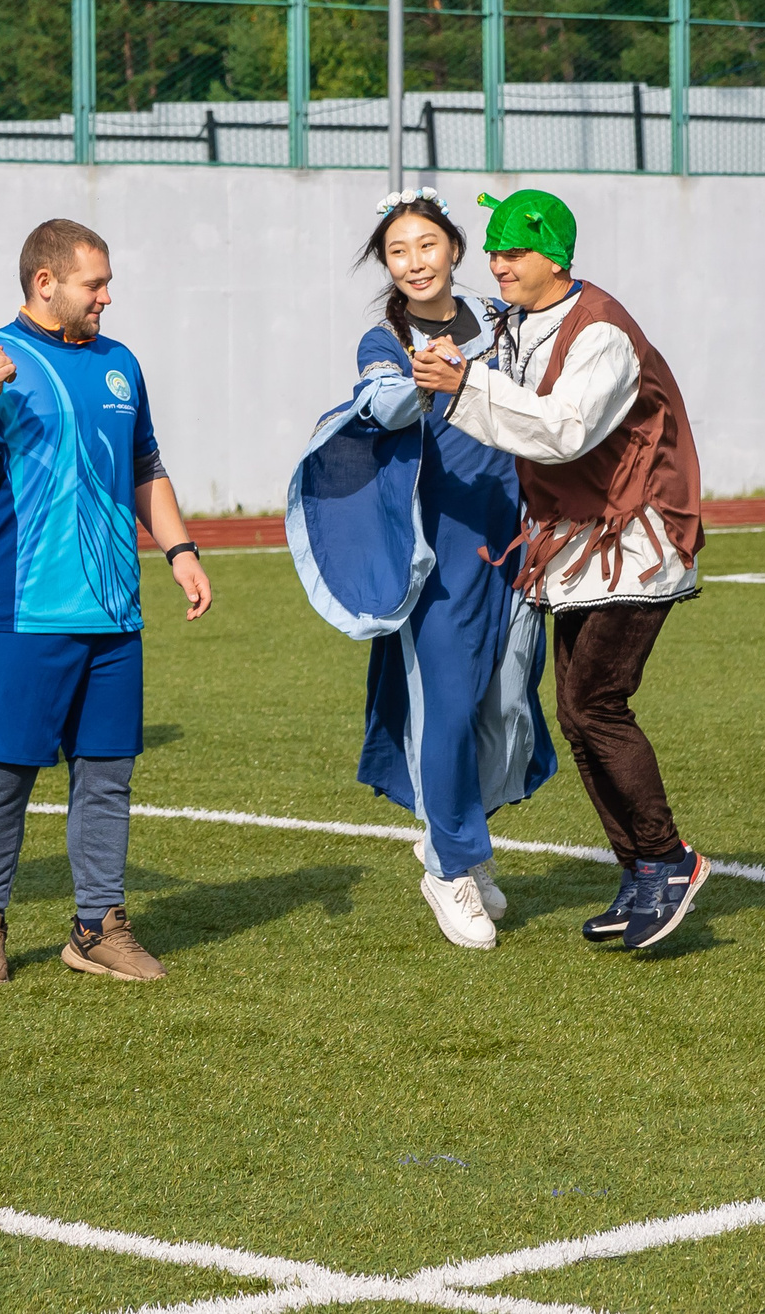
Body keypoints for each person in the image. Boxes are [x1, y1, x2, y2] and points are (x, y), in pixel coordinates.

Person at [411, 188, 709, 952]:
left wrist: (463, 386)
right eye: (495, 250)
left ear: (556, 256)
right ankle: (641, 873)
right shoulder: (520, 322)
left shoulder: (601, 332)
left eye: (514, 251)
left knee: (596, 704)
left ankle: (670, 859)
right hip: (582, 548)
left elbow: (563, 431)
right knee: (580, 717)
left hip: (637, 543)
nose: (499, 264)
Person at [0, 219, 213, 984]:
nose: (107, 297)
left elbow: (146, 465)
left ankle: (97, 926)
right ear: (45, 282)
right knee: (5, 774)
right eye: (95, 284)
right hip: (23, 613)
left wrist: (179, 552)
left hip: (114, 613)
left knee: (107, 775)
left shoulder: (122, 365)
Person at [287, 189, 552, 951]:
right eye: (397, 252)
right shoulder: (384, 340)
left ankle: (462, 843)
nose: (414, 263)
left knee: (501, 704)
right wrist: (416, 380)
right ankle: (448, 867)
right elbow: (386, 406)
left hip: (508, 540)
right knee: (443, 702)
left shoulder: (501, 320)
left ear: (455, 250)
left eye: (426, 246)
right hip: (434, 550)